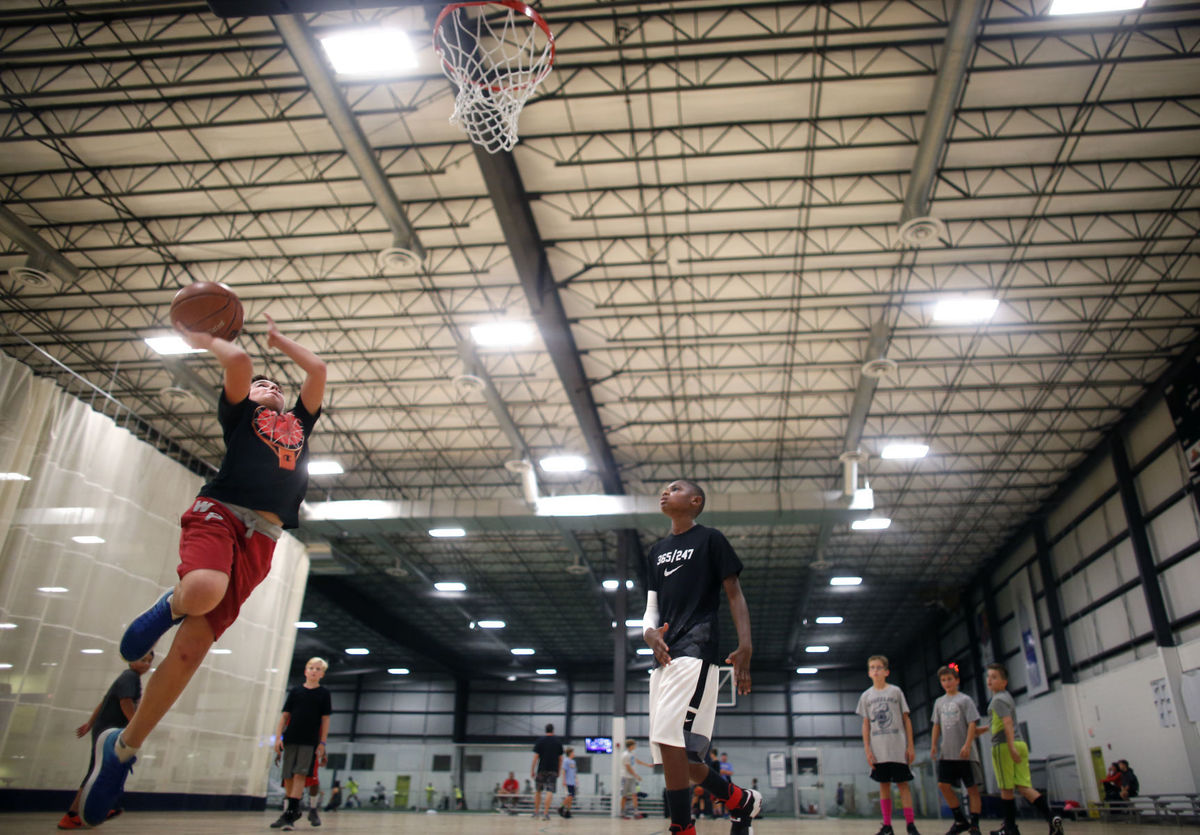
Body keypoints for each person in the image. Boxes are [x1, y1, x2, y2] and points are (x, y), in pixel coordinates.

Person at [77, 314, 326, 828]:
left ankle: (121, 752)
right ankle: (169, 605)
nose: (270, 385)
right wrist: (204, 339)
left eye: (276, 384)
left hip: (265, 536)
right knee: (206, 588)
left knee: (191, 651)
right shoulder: (241, 419)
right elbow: (237, 360)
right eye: (262, 384)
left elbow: (317, 370)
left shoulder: (299, 424)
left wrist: (282, 342)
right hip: (222, 511)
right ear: (244, 398)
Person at [642, 478, 761, 835]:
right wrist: (649, 634)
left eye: (675, 488)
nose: (665, 491)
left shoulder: (711, 539)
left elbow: (735, 594)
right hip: (663, 655)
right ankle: (741, 801)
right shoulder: (656, 550)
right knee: (682, 758)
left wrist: (746, 645)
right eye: (664, 488)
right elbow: (651, 608)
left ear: (695, 501)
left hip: (696, 648)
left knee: (667, 737)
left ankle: (682, 827)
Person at [57, 652, 153, 830]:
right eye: (142, 659)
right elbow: (125, 702)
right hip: (109, 732)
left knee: (106, 769)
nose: (146, 664)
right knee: (98, 770)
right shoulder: (130, 677)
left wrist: (90, 723)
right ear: (131, 661)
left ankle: (105, 807)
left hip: (105, 729)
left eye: (149, 661)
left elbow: (104, 702)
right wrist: (136, 725)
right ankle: (72, 814)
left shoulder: (129, 678)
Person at [979, 663, 1063, 835]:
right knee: (1024, 787)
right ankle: (1051, 817)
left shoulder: (997, 700)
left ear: (1004, 682)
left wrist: (1010, 747)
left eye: (994, 677)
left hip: (1004, 746)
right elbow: (996, 724)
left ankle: (1010, 828)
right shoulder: (1007, 697)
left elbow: (1007, 723)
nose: (989, 680)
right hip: (1020, 743)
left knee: (1006, 788)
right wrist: (976, 731)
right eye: (988, 676)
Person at [856, 654, 918, 835]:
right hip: (878, 750)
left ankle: (910, 825)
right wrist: (867, 749)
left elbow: (906, 719)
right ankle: (887, 825)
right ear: (869, 672)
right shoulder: (866, 696)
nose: (875, 670)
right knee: (883, 785)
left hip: (898, 748)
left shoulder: (895, 692)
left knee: (903, 784)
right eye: (872, 667)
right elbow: (866, 724)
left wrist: (910, 745)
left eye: (878, 667)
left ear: (886, 671)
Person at [271, 657, 332, 829]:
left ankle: (290, 813)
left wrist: (323, 743)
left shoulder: (323, 694)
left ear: (322, 674)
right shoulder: (296, 691)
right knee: (288, 776)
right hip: (291, 739)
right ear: (305, 671)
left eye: (318, 669)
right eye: (311, 667)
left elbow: (325, 719)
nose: (314, 671)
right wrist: (278, 738)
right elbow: (284, 716)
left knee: (300, 775)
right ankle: (291, 810)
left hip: (309, 741)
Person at [931, 664, 982, 835]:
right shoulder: (939, 702)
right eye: (943, 680)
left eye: (949, 679)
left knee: (972, 788)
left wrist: (967, 744)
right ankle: (960, 820)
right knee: (943, 785)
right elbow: (936, 725)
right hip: (947, 752)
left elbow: (972, 723)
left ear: (957, 680)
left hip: (965, 753)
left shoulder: (965, 700)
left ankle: (974, 824)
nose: (946, 683)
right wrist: (933, 745)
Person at [531, 722, 563, 821]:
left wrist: (532, 770)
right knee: (549, 791)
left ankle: (536, 813)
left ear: (545, 730)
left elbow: (535, 758)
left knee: (538, 791)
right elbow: (560, 758)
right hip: (553, 770)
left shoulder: (540, 741)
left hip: (541, 769)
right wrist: (559, 770)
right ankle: (545, 813)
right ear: (553, 730)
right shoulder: (558, 742)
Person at [620, 738, 651, 819]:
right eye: (634, 745)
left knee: (634, 795)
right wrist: (636, 776)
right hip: (626, 777)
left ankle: (636, 812)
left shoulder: (632, 753)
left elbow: (637, 761)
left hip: (632, 777)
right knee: (624, 796)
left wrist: (647, 765)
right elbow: (628, 767)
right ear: (630, 746)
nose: (635, 746)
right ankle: (622, 813)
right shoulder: (625, 755)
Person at [559, 745, 577, 818]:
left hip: (572, 782)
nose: (574, 754)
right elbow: (563, 770)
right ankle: (561, 807)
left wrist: (576, 780)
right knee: (569, 796)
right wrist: (564, 780)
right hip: (568, 782)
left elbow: (574, 772)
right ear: (570, 753)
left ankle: (568, 811)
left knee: (571, 797)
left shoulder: (573, 762)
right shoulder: (566, 761)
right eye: (573, 752)